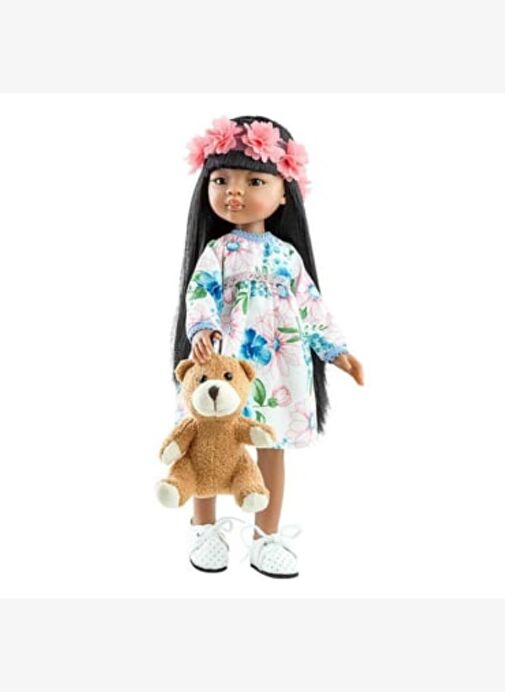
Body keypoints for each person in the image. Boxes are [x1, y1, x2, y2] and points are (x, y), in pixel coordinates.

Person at [167, 115, 364, 578]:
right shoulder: (218, 252)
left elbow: (311, 306)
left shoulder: (288, 256)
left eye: (254, 181)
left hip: (278, 368)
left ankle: (265, 536)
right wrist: (202, 331)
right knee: (209, 440)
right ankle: (204, 528)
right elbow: (200, 292)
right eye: (221, 180)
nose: (234, 192)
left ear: (284, 193)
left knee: (271, 444)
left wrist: (335, 351)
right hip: (226, 363)